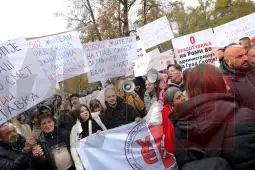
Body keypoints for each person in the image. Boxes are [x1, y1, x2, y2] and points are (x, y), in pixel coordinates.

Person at [170, 64, 255, 170]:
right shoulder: (245, 116)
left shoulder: (180, 128)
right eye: (223, 82)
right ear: (216, 84)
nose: (228, 87)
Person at [70, 104, 106, 170]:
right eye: (82, 111)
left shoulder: (96, 121)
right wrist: (79, 167)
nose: (85, 112)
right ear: (78, 114)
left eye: (86, 110)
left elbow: (107, 137)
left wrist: (101, 134)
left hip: (101, 156)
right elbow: (74, 148)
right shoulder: (75, 128)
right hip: (87, 160)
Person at [221, 45, 255, 110]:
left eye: (245, 54)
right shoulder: (225, 83)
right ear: (228, 61)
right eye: (239, 56)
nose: (246, 58)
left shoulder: (253, 68)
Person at [162, 87, 186, 154]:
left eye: (182, 95)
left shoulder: (186, 108)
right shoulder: (170, 118)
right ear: (172, 104)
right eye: (178, 98)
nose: (183, 98)